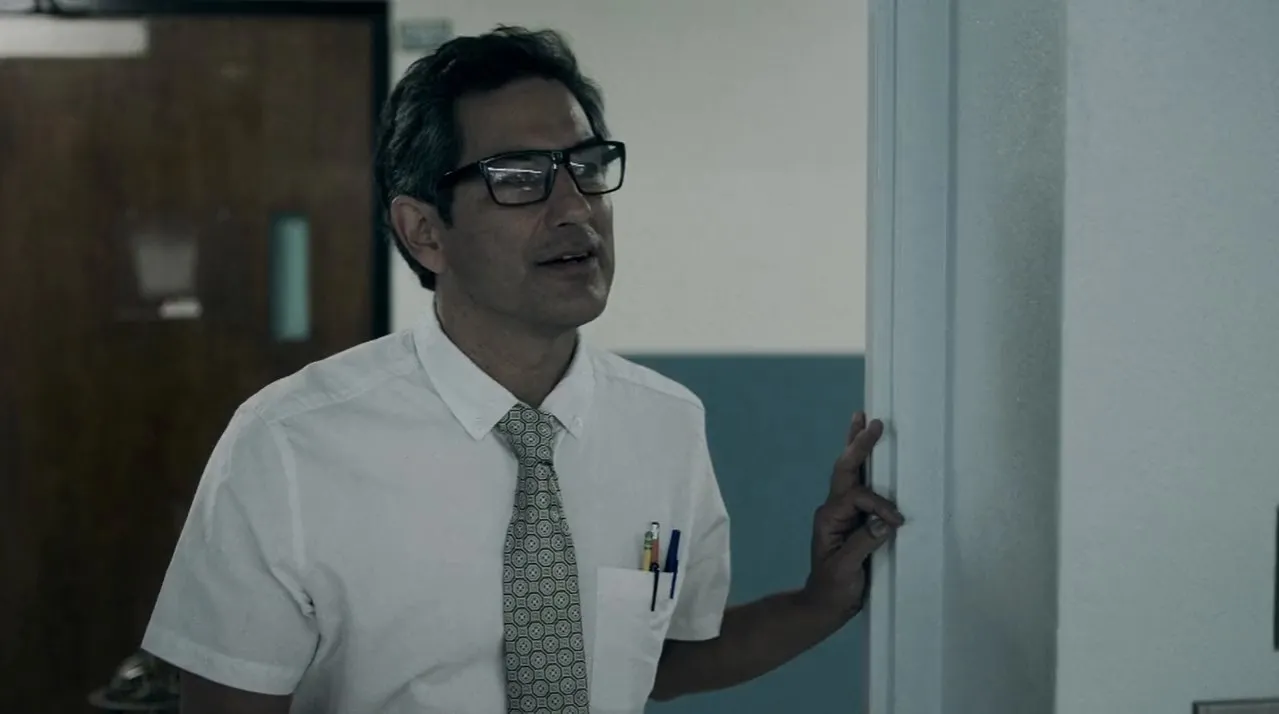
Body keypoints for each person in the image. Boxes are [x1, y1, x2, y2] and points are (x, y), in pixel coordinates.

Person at [141, 26, 904, 714]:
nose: (574, 208)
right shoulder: (289, 444)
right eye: (518, 176)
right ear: (423, 231)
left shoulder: (664, 424)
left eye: (587, 167)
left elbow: (657, 662)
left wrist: (821, 599)